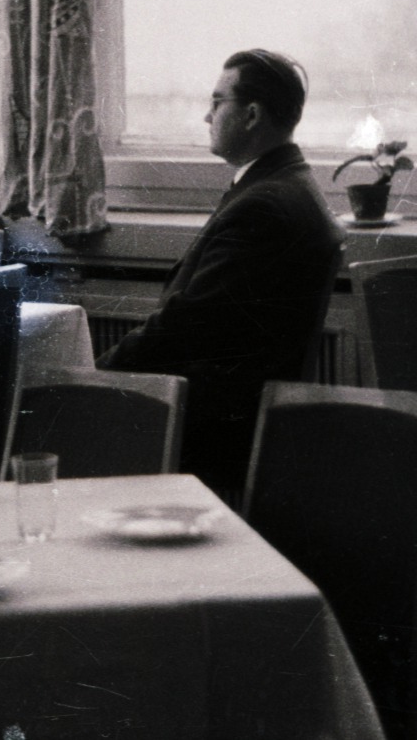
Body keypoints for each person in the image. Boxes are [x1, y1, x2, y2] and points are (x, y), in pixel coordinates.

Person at [96, 49, 344, 498]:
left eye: (216, 102)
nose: (205, 116)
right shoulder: (289, 183)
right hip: (240, 414)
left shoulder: (264, 203)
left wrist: (97, 374)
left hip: (215, 430)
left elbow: (187, 324)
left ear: (251, 115)